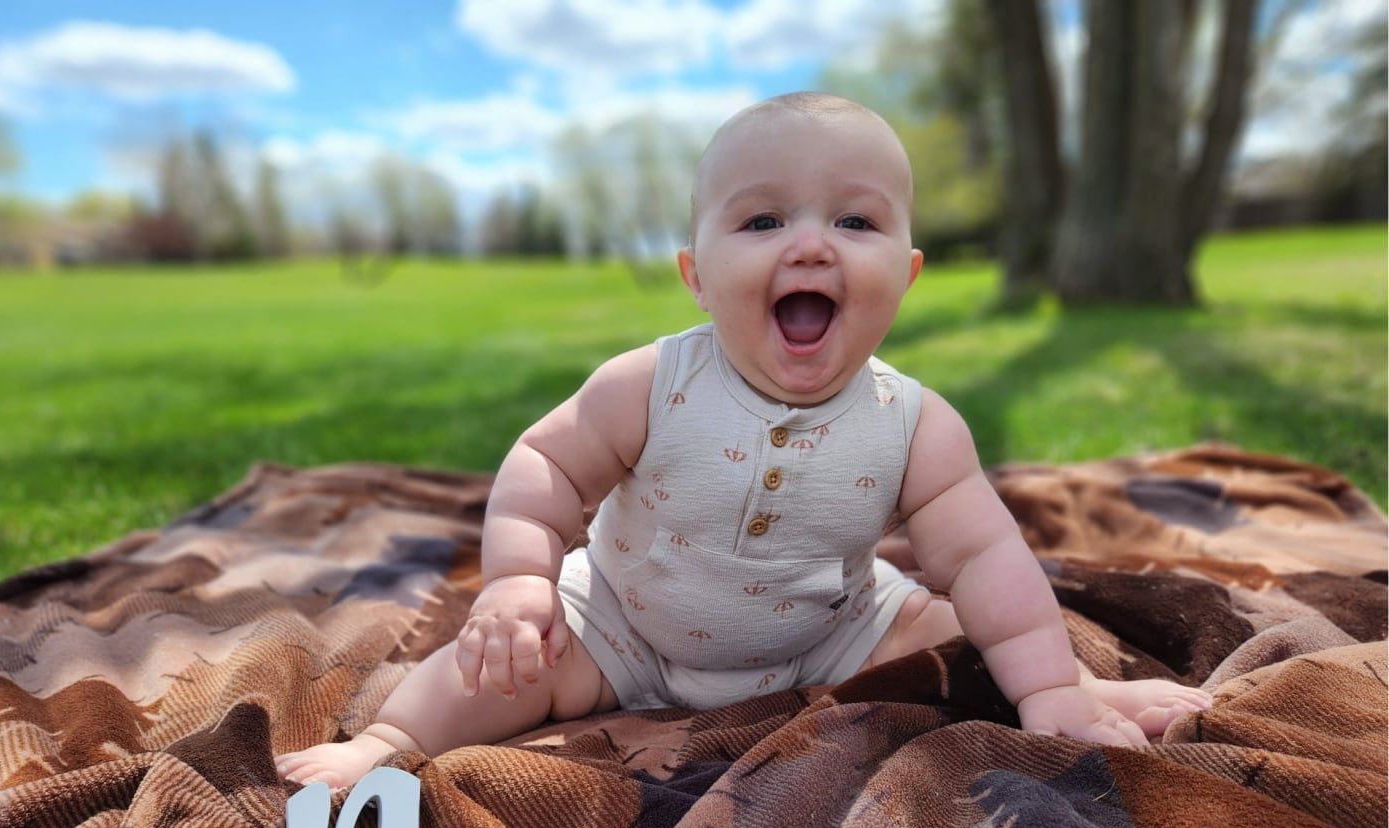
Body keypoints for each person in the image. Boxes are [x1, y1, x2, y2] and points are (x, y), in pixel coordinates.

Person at [275, 92, 1211, 790]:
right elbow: (546, 464)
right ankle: (386, 746)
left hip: (829, 634)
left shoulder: (916, 425)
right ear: (696, 274)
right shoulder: (650, 383)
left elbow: (983, 556)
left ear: (906, 272)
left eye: (855, 221)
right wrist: (519, 580)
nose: (810, 245)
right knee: (501, 664)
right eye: (763, 221)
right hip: (622, 628)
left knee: (960, 633)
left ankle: (1070, 693)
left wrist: (1044, 689)